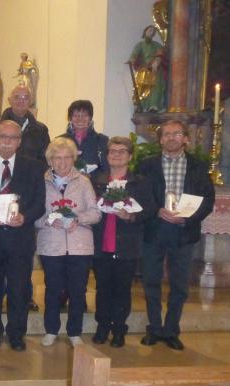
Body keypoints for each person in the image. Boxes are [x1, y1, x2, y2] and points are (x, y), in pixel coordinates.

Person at [137, 120, 215, 350]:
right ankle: (154, 328)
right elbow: (140, 196)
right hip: (154, 230)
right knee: (151, 282)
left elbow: (208, 200)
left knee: (179, 285)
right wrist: (156, 210)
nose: (171, 138)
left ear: (185, 139)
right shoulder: (146, 165)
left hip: (183, 232)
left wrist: (188, 217)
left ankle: (171, 330)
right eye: (167, 134)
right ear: (160, 139)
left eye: (176, 134)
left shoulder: (198, 167)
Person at [0, 120, 46, 351]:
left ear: (19, 141)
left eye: (13, 138)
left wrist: (25, 217)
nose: (7, 142)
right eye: (3, 137)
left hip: (20, 238)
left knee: (20, 288)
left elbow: (40, 203)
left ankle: (17, 334)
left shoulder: (34, 167)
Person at [35, 137, 101, 347]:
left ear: (74, 159)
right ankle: (51, 330)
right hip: (51, 244)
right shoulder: (40, 182)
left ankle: (74, 331)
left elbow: (95, 213)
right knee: (52, 289)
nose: (62, 162)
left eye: (67, 158)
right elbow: (34, 216)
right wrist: (48, 221)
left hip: (79, 245)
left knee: (77, 290)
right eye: (57, 158)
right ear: (50, 160)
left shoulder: (83, 182)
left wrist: (77, 218)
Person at [91, 136, 155, 348]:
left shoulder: (139, 182)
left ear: (129, 156)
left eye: (121, 151)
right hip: (101, 243)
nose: (116, 155)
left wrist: (131, 216)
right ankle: (102, 327)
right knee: (102, 288)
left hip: (126, 244)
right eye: (112, 151)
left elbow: (149, 209)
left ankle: (119, 329)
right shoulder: (97, 180)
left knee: (121, 290)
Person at [0, 85, 50, 163]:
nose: (21, 101)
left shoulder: (40, 130)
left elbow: (45, 161)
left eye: (25, 97)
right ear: (9, 100)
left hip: (29, 174)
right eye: (17, 97)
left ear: (30, 101)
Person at [59, 100, 109, 173]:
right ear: (70, 118)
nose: (80, 119)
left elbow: (106, 169)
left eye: (85, 115)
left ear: (90, 118)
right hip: (67, 183)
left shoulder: (102, 140)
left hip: (94, 183)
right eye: (76, 115)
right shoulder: (60, 141)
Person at [128, 26, 167, 112]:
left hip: (155, 70)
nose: (151, 32)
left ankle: (154, 105)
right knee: (141, 86)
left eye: (153, 31)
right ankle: (141, 105)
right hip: (144, 69)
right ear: (145, 31)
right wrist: (132, 60)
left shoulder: (157, 45)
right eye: (149, 30)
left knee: (156, 86)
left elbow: (161, 54)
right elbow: (134, 55)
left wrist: (157, 61)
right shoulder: (140, 45)